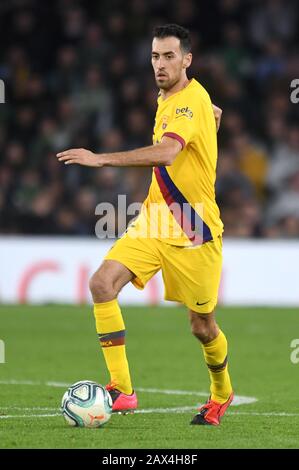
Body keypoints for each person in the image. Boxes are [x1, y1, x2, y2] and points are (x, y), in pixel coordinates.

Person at [57, 24, 233, 426]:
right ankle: (122, 389)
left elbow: (169, 152)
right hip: (155, 219)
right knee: (101, 283)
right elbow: (202, 119)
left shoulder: (188, 102)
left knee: (202, 327)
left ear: (187, 59)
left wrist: (101, 158)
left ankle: (222, 393)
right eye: (155, 56)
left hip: (194, 230)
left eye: (169, 56)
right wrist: (212, 118)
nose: (160, 64)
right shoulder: (174, 97)